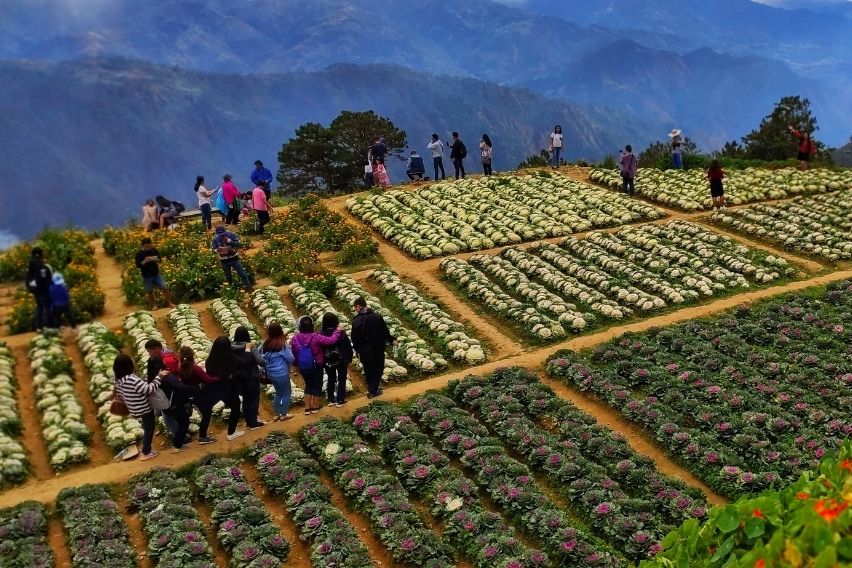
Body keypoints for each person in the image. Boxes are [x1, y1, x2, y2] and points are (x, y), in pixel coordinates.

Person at [113, 353, 164, 461]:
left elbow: (121, 392)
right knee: (149, 428)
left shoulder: (118, 379)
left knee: (147, 427)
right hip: (144, 407)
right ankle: (146, 451)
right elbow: (148, 389)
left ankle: (146, 448)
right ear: (128, 365)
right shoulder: (131, 379)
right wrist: (159, 377)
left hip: (134, 407)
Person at [148, 353, 201, 452]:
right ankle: (177, 445)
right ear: (161, 364)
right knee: (184, 422)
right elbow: (180, 387)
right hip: (174, 404)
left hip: (164, 405)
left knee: (174, 420)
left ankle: (178, 444)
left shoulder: (152, 377)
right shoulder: (167, 376)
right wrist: (195, 388)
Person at [290, 316, 341, 415]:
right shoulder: (315, 336)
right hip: (316, 365)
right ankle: (315, 406)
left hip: (303, 366)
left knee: (308, 384)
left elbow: (294, 353)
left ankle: (307, 408)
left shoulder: (295, 338)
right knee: (317, 385)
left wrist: (296, 366)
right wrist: (337, 331)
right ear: (311, 326)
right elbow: (331, 340)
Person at [174, 345, 221, 445]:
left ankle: (203, 436)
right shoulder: (195, 369)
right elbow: (208, 380)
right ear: (192, 355)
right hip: (200, 394)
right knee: (206, 415)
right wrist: (220, 377)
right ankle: (202, 437)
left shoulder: (180, 368)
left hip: (191, 395)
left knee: (205, 413)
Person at [351, 297, 394, 399]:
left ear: (358, 306)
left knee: (368, 369)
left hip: (364, 350)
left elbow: (354, 338)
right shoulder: (377, 317)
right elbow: (385, 332)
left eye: (355, 308)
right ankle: (372, 390)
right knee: (378, 368)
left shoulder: (356, 320)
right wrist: (392, 340)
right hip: (377, 348)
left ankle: (372, 389)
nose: (355, 310)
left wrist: (357, 349)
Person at [203, 337, 245, 441]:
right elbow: (235, 372)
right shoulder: (230, 359)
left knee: (207, 411)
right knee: (235, 407)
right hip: (228, 389)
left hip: (215, 390)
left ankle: (202, 435)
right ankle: (231, 432)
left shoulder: (210, 360)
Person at [260, 323, 295, 421]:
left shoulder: (265, 343)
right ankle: (284, 414)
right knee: (286, 393)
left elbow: (259, 354)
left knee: (278, 392)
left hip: (270, 373)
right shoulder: (282, 344)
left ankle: (276, 415)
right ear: (280, 330)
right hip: (281, 373)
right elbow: (291, 358)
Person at [231, 326, 265, 429]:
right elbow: (261, 362)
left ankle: (248, 421)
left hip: (239, 378)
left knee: (245, 400)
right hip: (252, 377)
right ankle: (253, 422)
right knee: (253, 399)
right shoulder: (250, 347)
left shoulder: (231, 347)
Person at [320, 312, 353, 407]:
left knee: (331, 379)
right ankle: (340, 400)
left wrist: (322, 361)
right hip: (342, 359)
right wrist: (349, 358)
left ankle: (331, 400)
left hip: (328, 361)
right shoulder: (341, 332)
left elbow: (320, 349)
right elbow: (348, 346)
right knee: (342, 379)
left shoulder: (321, 334)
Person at [211, 225, 253, 292]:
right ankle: (234, 289)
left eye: (222, 234)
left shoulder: (231, 235)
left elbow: (238, 244)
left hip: (234, 258)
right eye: (220, 234)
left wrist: (229, 241)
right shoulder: (215, 238)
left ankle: (249, 287)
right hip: (224, 260)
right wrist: (217, 250)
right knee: (228, 277)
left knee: (242, 273)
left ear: (225, 231)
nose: (221, 236)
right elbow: (213, 249)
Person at [135, 238, 174, 309]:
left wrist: (155, 258)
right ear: (143, 246)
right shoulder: (139, 254)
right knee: (150, 291)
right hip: (146, 276)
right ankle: (153, 306)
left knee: (164, 287)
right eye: (146, 247)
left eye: (149, 246)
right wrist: (145, 261)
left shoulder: (154, 250)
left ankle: (170, 303)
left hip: (156, 274)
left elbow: (159, 259)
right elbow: (138, 265)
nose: (148, 248)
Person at [25, 247, 53, 332]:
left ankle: (39, 326)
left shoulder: (30, 265)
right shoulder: (43, 266)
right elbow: (49, 278)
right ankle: (47, 326)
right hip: (44, 289)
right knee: (47, 306)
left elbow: (27, 279)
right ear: (41, 254)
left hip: (35, 290)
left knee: (39, 307)